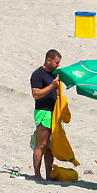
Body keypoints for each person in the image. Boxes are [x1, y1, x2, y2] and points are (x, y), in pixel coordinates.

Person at [29, 49, 63, 179]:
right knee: (41, 144)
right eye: (56, 62)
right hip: (43, 111)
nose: (58, 65)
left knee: (50, 146)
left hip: (53, 112)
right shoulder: (38, 74)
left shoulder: (54, 74)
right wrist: (52, 87)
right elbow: (36, 94)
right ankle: (37, 174)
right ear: (48, 60)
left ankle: (49, 175)